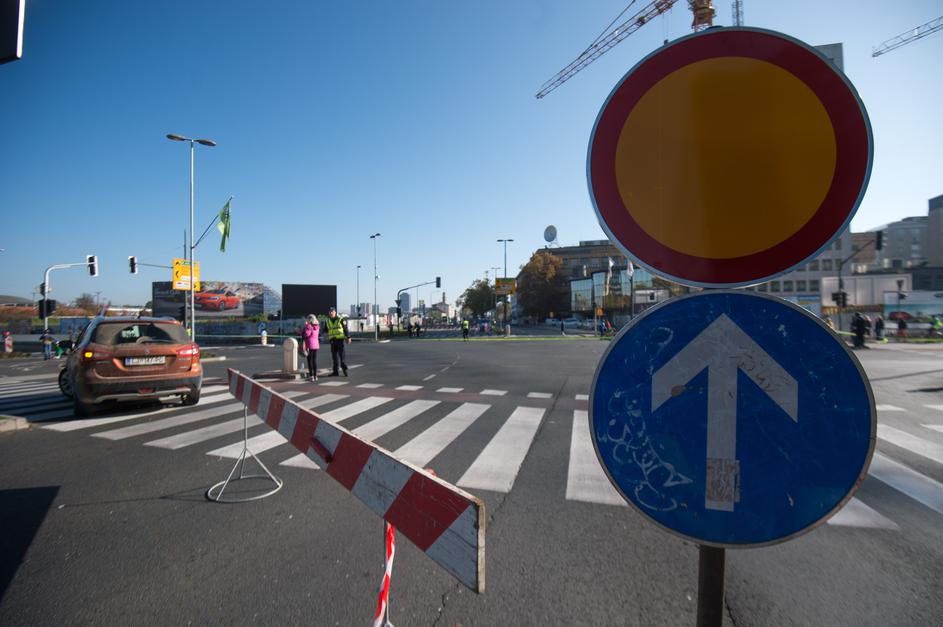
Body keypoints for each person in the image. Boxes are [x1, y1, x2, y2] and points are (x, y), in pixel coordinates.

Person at [324, 306, 350, 376]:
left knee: (342, 355)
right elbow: (325, 331)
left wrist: (348, 337)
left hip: (340, 340)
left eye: (332, 311)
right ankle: (335, 372)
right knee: (334, 356)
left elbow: (345, 329)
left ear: (335, 312)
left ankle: (344, 369)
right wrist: (326, 336)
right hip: (332, 340)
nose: (331, 313)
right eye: (330, 312)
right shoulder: (327, 321)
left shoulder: (341, 319)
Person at [301, 314, 320, 381]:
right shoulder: (317, 327)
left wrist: (306, 327)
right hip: (316, 345)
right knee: (314, 360)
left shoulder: (309, 326)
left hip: (309, 344)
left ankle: (311, 376)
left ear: (310, 319)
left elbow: (306, 334)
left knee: (309, 361)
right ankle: (315, 376)